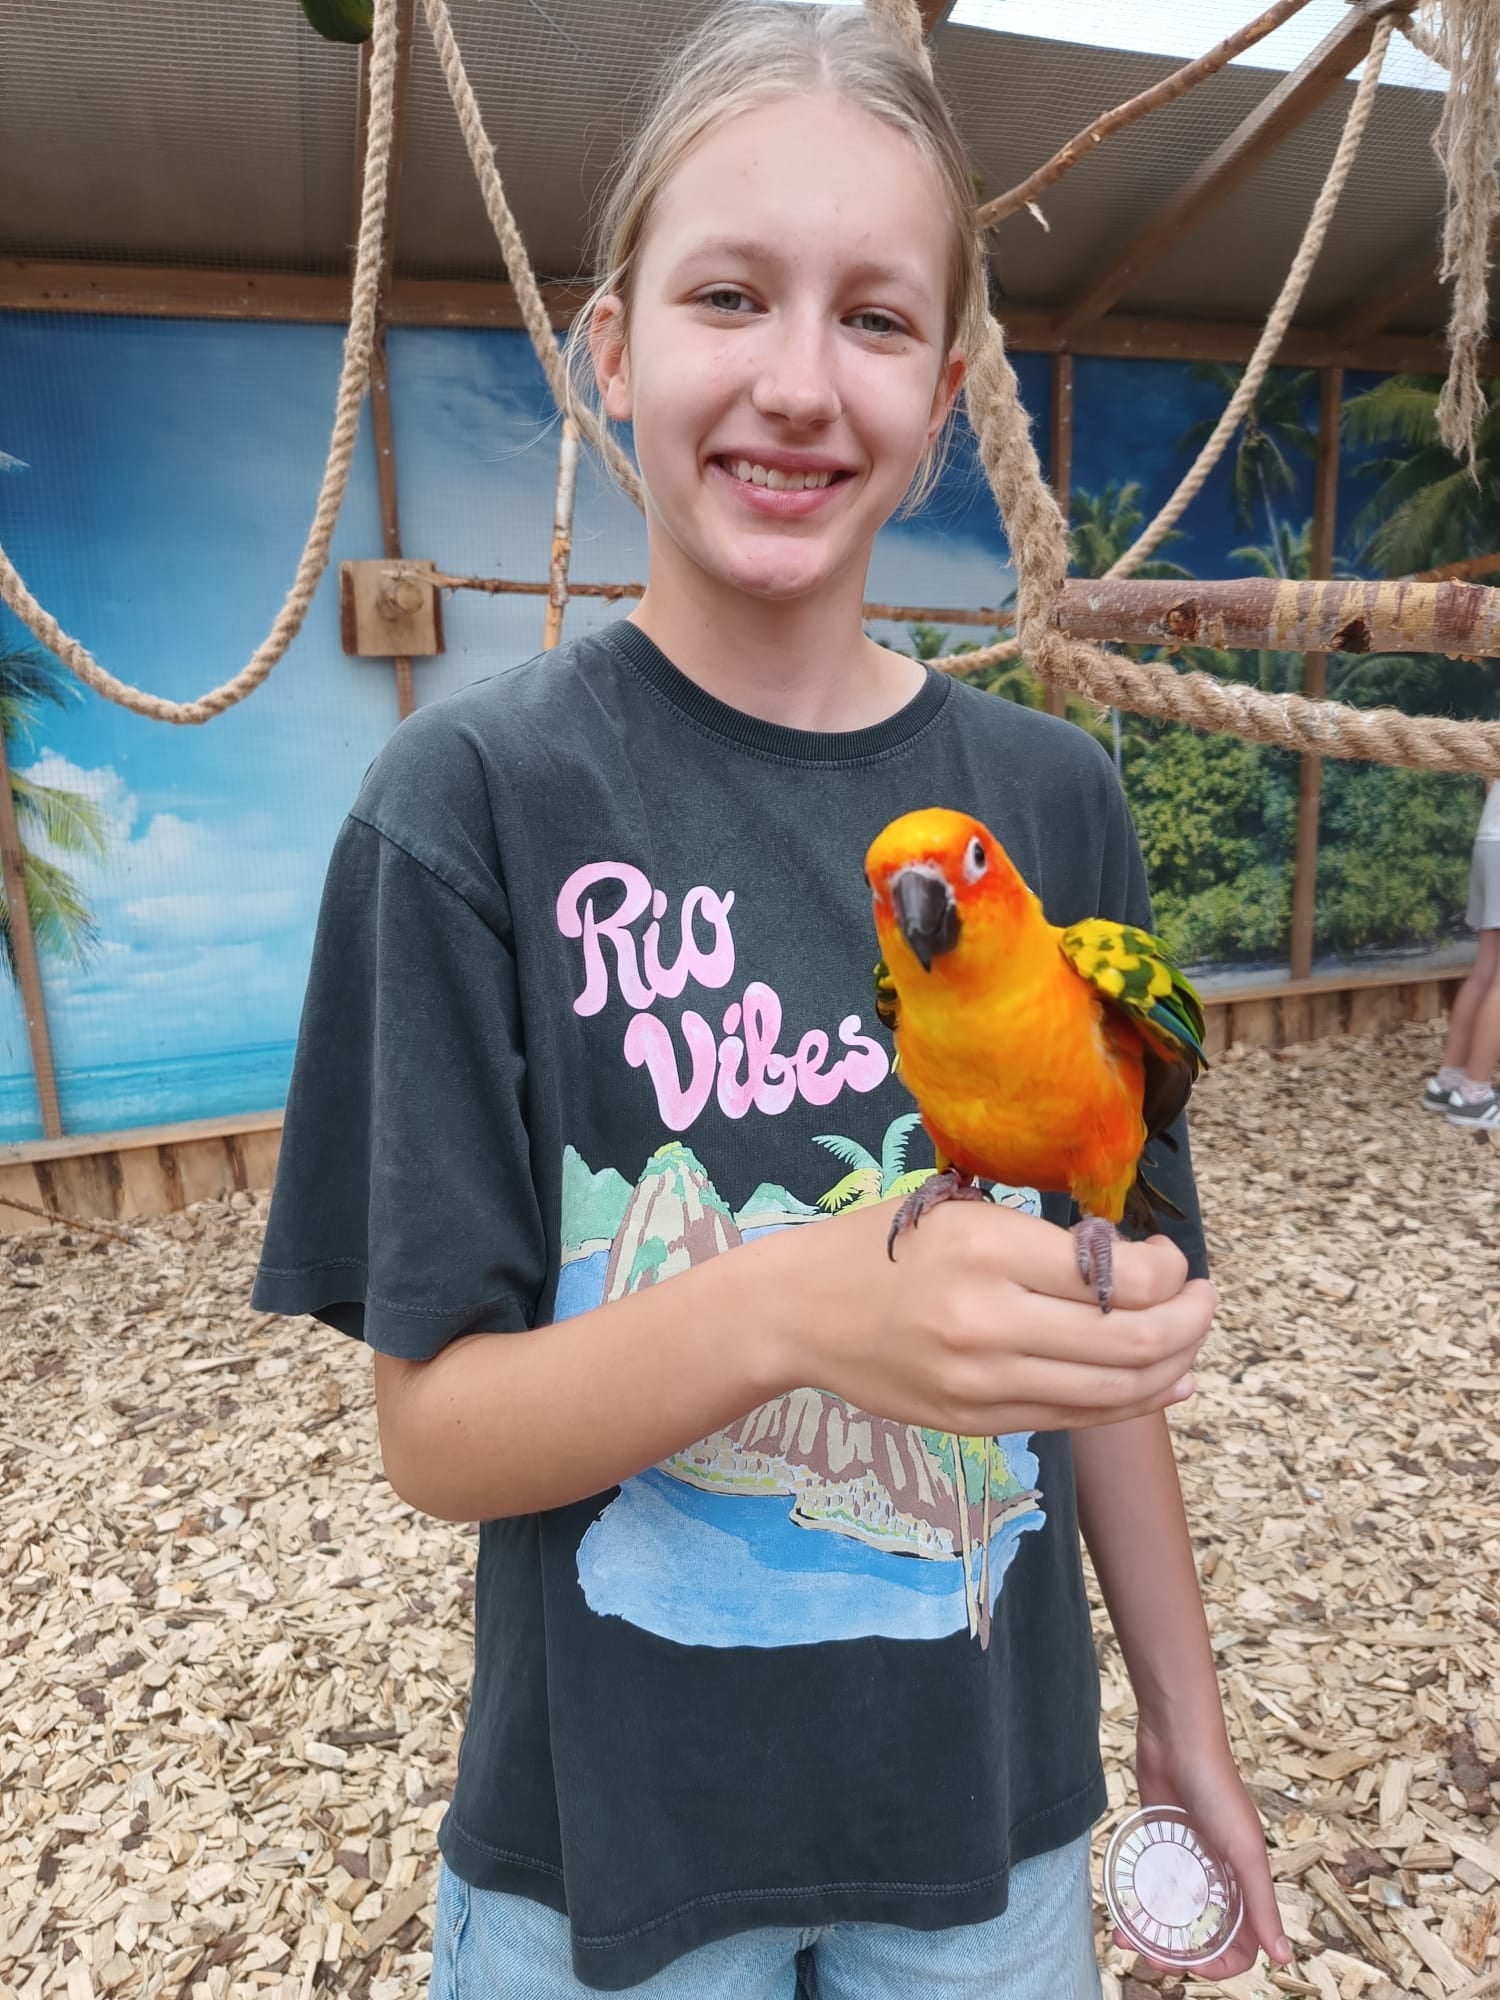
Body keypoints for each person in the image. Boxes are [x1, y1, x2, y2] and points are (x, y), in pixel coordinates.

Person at [252, 7, 1290, 1993]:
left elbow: (1099, 1342)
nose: (800, 384)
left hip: (989, 1826)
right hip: (604, 1857)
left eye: (877, 318)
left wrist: (1188, 1720)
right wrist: (805, 1306)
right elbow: (434, 1435)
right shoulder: (463, 811)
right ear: (612, 346)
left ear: (948, 392)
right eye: (730, 295)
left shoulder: (1057, 806)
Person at [1423, 777, 1500, 1130]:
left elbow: (1489, 777)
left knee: (1486, 969)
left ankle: (1449, 1082)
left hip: (1490, 839)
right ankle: (1473, 1096)